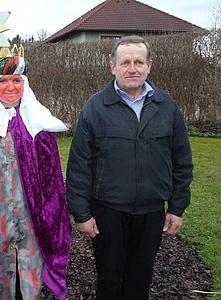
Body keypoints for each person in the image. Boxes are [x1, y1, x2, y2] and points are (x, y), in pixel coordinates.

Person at [66, 35, 193, 300]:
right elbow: (79, 166)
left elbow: (181, 161)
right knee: (109, 280)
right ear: (113, 66)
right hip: (108, 213)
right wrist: (81, 214)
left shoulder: (167, 106)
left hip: (151, 212)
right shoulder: (95, 107)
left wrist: (177, 208)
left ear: (149, 66)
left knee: (140, 280)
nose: (132, 68)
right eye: (125, 62)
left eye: (138, 61)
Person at [0, 46, 72, 300]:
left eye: (16, 80)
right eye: (3, 80)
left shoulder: (37, 122)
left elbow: (51, 182)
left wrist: (50, 219)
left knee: (24, 284)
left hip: (29, 222)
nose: (10, 87)